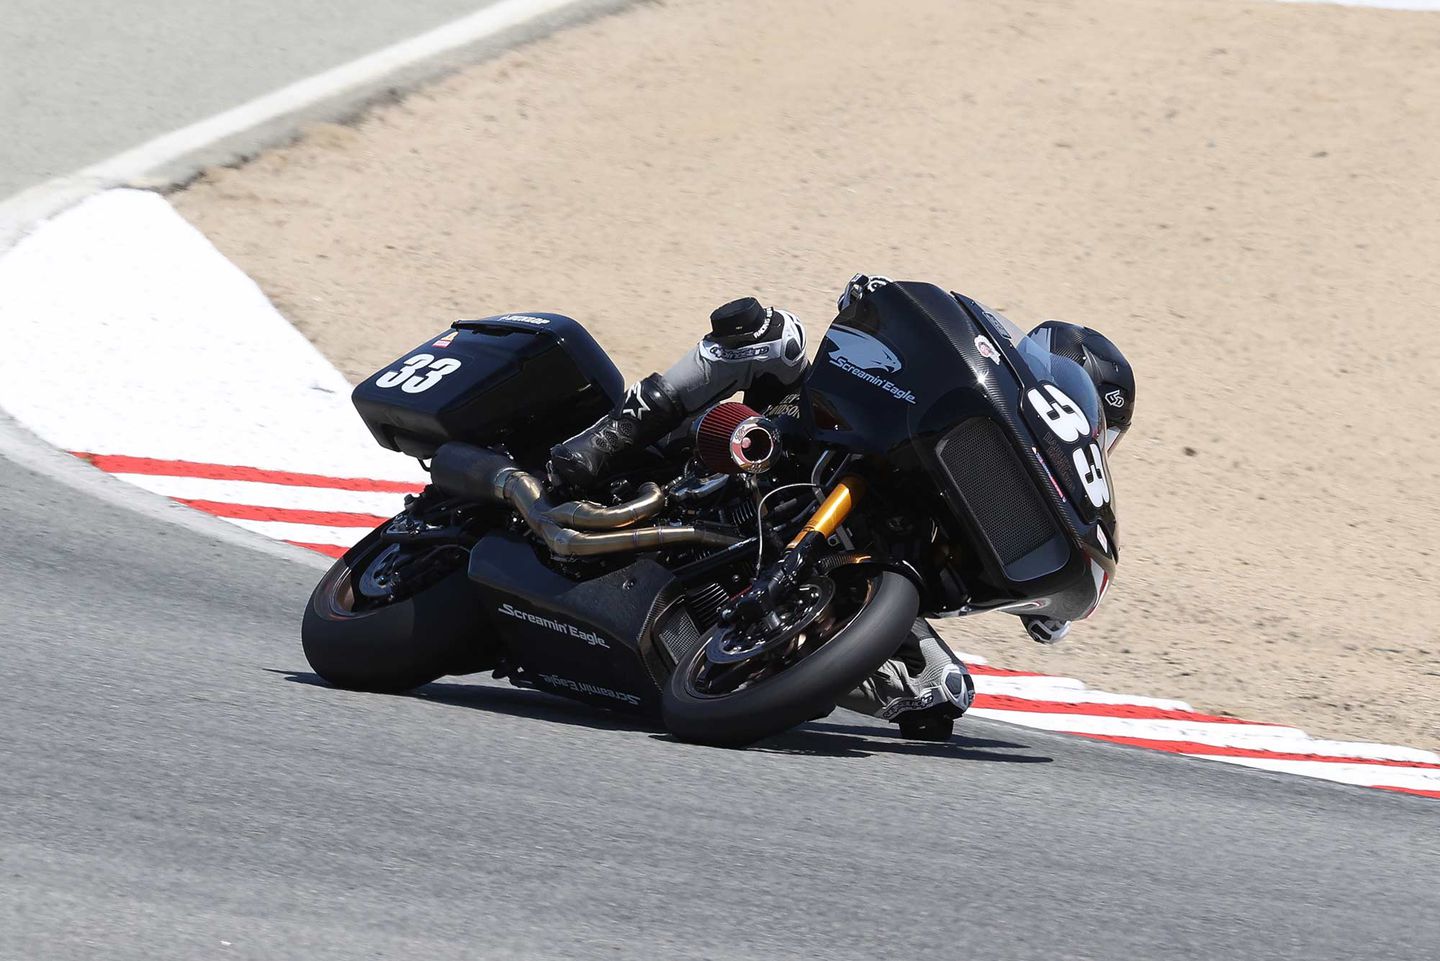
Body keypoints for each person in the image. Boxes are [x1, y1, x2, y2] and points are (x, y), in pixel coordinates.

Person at [549, 275, 1135, 740]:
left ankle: (752, 648)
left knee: (942, 691)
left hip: (863, 555)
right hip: (794, 445)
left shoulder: (1035, 492)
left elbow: (1044, 618)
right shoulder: (989, 377)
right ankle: (611, 436)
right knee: (774, 336)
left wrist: (1046, 601)